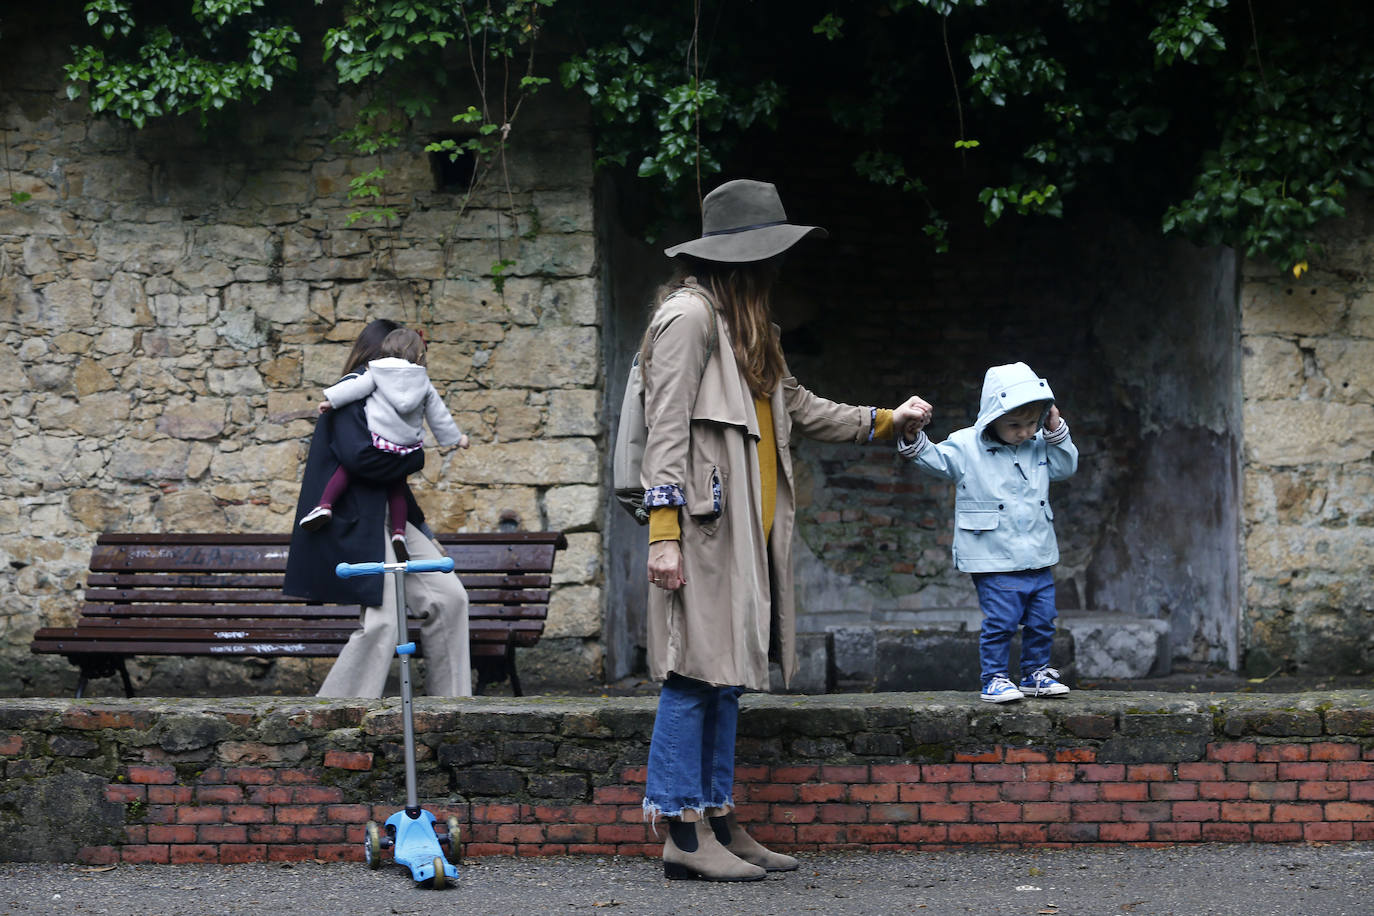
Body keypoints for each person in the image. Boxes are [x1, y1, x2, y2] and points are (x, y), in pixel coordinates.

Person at [639, 178, 933, 881]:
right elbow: (665, 426)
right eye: (770, 254)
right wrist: (663, 532)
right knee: (691, 674)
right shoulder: (689, 318)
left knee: (730, 675)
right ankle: (680, 831)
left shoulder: (750, 329)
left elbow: (797, 406)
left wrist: (887, 421)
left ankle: (716, 814)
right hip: (702, 529)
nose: (778, 268)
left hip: (748, 531)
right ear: (742, 260)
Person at [283, 318, 472, 698]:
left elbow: (391, 478)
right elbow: (362, 460)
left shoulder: (395, 391)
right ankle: (336, 714)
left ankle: (454, 709)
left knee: (450, 598)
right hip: (353, 519)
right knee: (384, 621)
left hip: (391, 520)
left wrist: (426, 533)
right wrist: (417, 457)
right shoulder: (350, 393)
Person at [896, 361, 1078, 704]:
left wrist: (1056, 431)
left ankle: (1034, 673)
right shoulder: (966, 446)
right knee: (1003, 621)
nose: (1024, 432)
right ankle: (994, 677)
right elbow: (934, 459)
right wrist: (912, 436)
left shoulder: (1040, 444)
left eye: (1030, 423)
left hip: (1037, 553)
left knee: (1043, 620)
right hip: (992, 556)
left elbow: (1066, 467)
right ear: (992, 415)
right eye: (1014, 425)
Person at [299, 327, 469, 562]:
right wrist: (456, 438)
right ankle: (399, 533)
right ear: (419, 355)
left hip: (379, 440)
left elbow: (355, 389)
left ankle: (325, 504)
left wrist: (331, 401)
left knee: (346, 470)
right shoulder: (423, 382)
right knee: (397, 484)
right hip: (406, 446)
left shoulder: (375, 373)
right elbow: (439, 416)